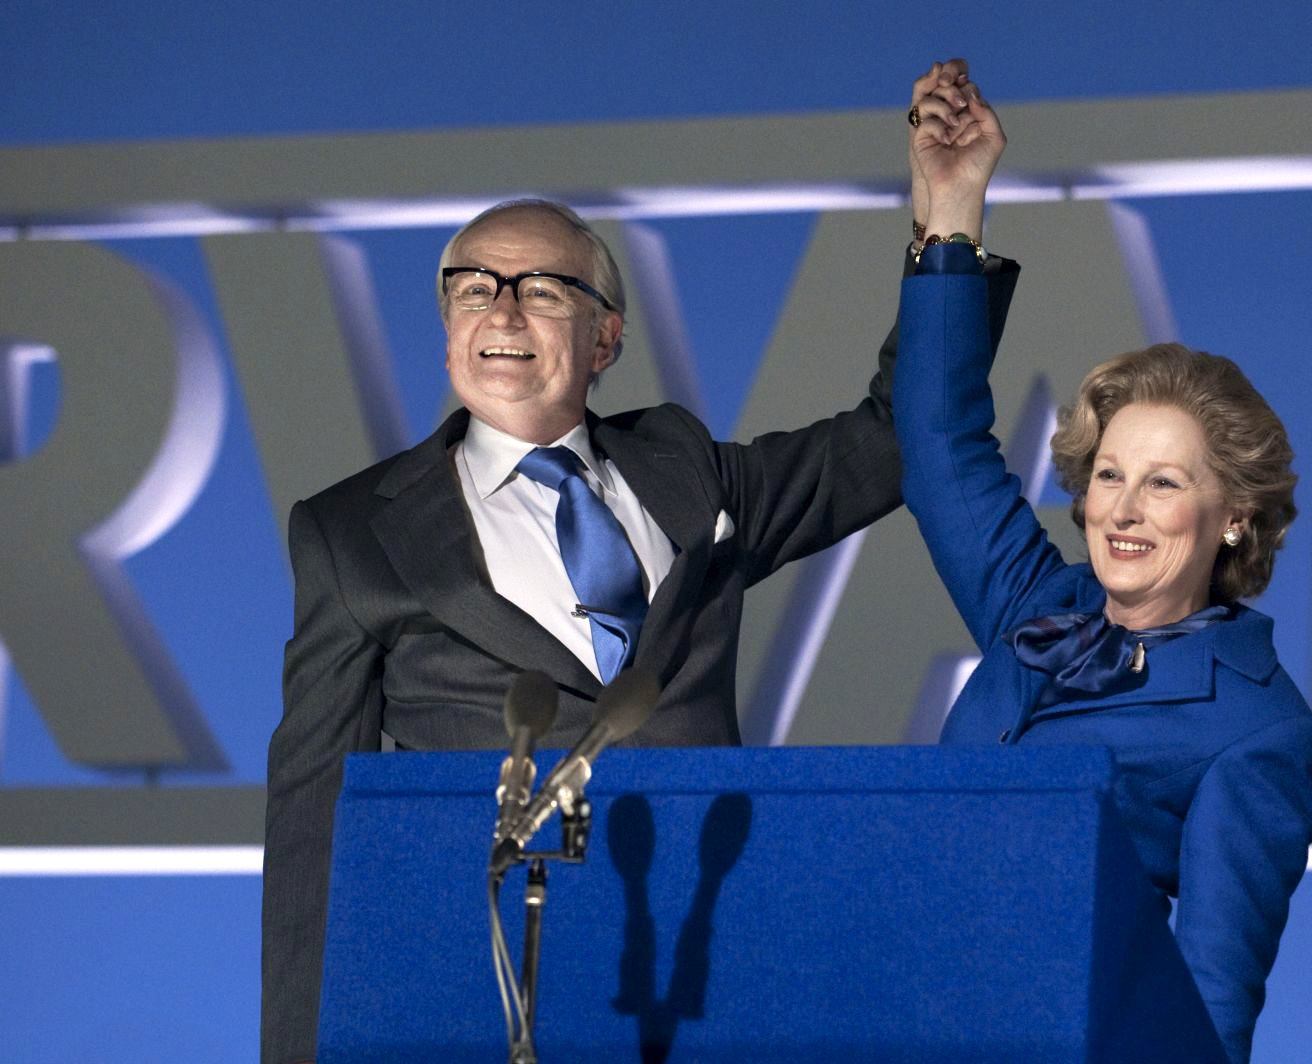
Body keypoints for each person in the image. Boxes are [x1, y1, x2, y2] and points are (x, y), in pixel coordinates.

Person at [262, 186, 1017, 1057]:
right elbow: (316, 818)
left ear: (606, 339)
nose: (501, 309)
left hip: (712, 965)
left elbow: (890, 442)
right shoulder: (353, 531)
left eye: (541, 289)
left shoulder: (686, 472)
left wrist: (951, 221)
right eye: (473, 289)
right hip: (499, 990)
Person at [895, 65, 1312, 1063]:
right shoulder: (1033, 604)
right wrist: (953, 210)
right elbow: (936, 445)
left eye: (1165, 483)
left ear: (1233, 516)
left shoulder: (1261, 732)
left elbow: (1209, 998)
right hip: (899, 1017)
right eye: (1107, 475)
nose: (1123, 510)